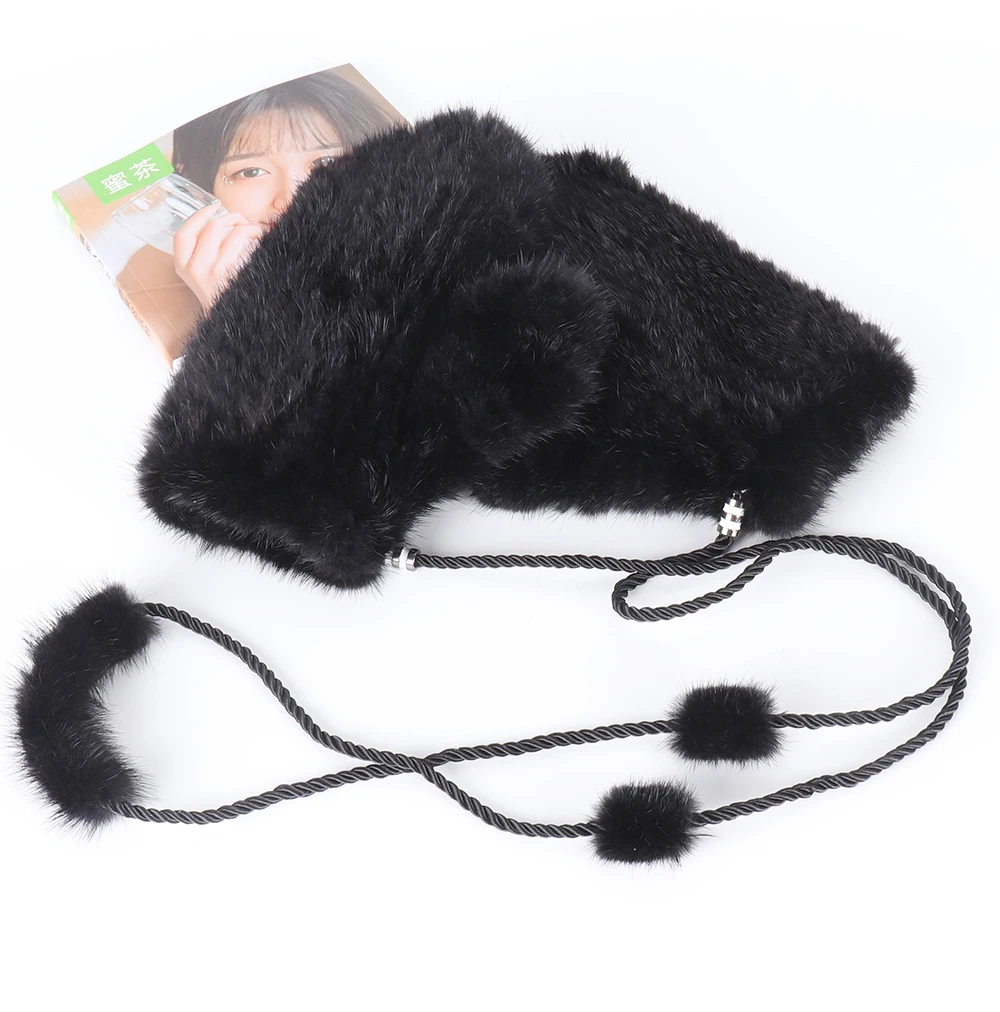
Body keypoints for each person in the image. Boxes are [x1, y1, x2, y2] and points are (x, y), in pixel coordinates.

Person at [116, 69, 399, 362]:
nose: (292, 199)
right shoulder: (156, 288)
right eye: (251, 172)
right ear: (199, 188)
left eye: (325, 161)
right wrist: (231, 309)